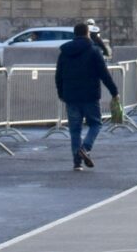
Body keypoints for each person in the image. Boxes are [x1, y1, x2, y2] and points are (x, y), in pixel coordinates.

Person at [54, 21, 119, 172]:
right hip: (90, 95)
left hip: (70, 96)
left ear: (75, 34)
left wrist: (61, 93)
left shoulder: (65, 52)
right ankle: (86, 148)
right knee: (96, 124)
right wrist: (114, 91)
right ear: (87, 33)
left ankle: (77, 162)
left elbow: (59, 75)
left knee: (75, 130)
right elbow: (104, 74)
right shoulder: (94, 51)